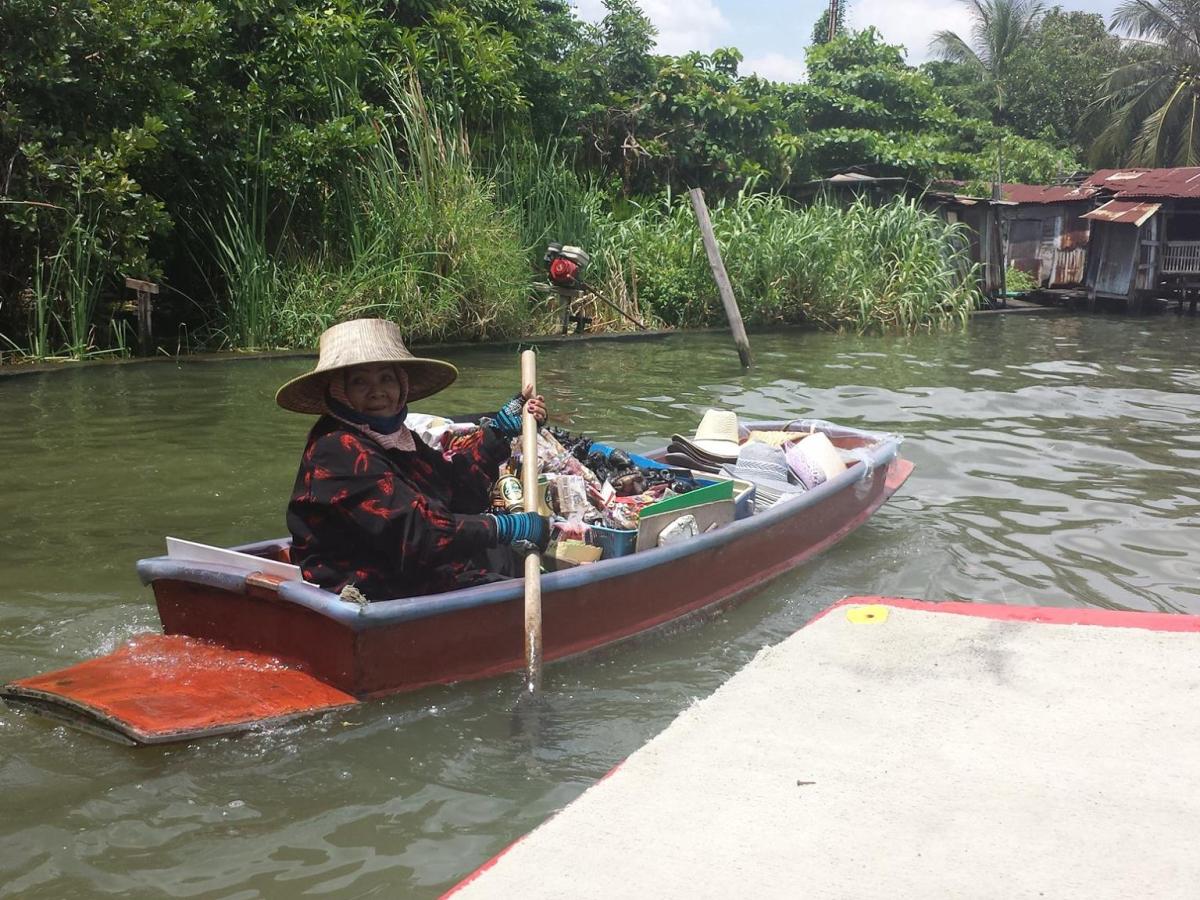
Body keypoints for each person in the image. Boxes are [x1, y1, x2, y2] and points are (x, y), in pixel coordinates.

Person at [276, 318, 551, 601]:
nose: (377, 391)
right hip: (362, 590)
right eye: (360, 382)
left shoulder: (396, 437)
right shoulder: (338, 448)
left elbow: (453, 489)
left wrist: (498, 432)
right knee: (495, 557)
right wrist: (504, 527)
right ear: (339, 392)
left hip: (405, 571)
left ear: (401, 384)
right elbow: (419, 533)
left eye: (386, 378)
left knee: (497, 553)